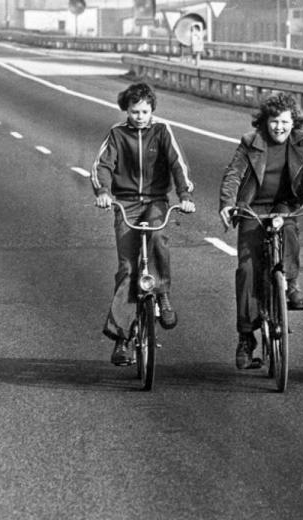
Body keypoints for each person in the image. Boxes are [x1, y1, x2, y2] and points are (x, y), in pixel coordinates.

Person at [91, 82, 196, 367]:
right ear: (126, 110)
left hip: (156, 201)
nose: (140, 116)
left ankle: (161, 293)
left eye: (145, 111)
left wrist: (184, 195)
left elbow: (177, 164)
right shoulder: (117, 134)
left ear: (152, 110)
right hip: (125, 203)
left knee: (159, 235)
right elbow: (102, 166)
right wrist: (103, 192)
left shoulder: (162, 131)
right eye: (135, 111)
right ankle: (122, 338)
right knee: (127, 268)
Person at [218, 92, 303, 370]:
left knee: (289, 233)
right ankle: (245, 337)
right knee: (247, 269)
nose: (280, 127)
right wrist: (228, 204)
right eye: (274, 121)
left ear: (294, 123)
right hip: (253, 206)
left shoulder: (301, 142)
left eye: (285, 122)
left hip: (284, 203)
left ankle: (289, 284)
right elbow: (233, 175)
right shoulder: (250, 143)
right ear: (265, 122)